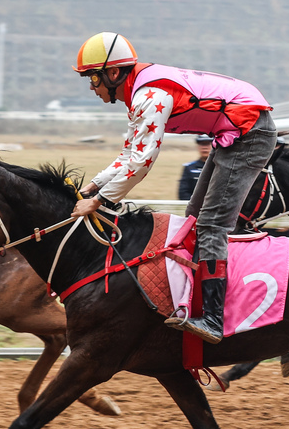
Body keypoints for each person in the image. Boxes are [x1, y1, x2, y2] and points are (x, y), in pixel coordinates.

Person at [71, 32, 277, 343]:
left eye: (93, 78)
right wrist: (93, 186)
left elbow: (142, 161)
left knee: (210, 225)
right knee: (194, 216)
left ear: (113, 73)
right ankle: (196, 299)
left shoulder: (149, 96)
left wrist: (98, 201)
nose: (91, 86)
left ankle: (214, 318)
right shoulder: (138, 92)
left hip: (250, 132)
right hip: (234, 130)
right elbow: (129, 154)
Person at [178, 135, 213, 201]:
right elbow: (183, 193)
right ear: (198, 147)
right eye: (202, 144)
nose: (205, 147)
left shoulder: (221, 167)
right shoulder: (189, 168)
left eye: (208, 144)